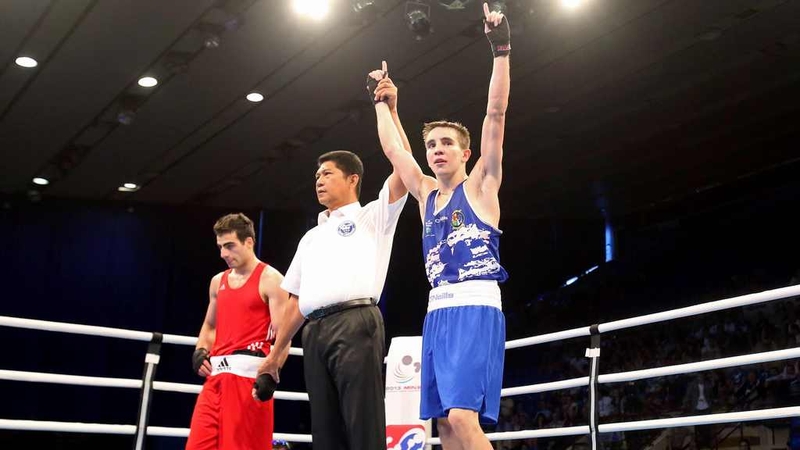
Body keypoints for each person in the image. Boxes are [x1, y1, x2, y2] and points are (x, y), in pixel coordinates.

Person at [369, 2, 511, 448]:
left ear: (465, 153)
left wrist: (501, 50)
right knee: (446, 424)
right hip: (437, 311)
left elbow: (495, 115)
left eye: (446, 143)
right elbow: (395, 151)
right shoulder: (426, 195)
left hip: (475, 306)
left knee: (463, 418)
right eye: (431, 144)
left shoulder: (482, 186)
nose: (437, 149)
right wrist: (383, 104)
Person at [255, 150, 409, 449]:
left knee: (362, 420)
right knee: (325, 427)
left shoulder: (372, 216)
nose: (319, 181)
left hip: (355, 321)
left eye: (327, 174)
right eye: (317, 176)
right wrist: (274, 357)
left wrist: (387, 121)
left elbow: (403, 171)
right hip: (314, 331)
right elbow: (295, 302)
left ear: (353, 179)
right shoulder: (310, 237)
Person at [185, 213, 289, 450]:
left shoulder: (271, 279)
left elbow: (284, 336)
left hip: (248, 380)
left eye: (230, 245)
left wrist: (271, 372)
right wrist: (200, 350)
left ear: (249, 242)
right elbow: (210, 325)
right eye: (220, 247)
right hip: (215, 380)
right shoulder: (217, 281)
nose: (223, 253)